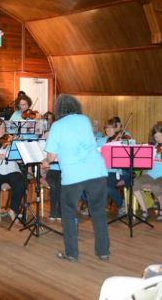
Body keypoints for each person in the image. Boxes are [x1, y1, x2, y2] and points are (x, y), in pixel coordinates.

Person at [43, 94, 109, 262]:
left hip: (73, 175)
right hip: (96, 171)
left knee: (68, 214)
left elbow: (51, 156)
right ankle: (103, 251)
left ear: (59, 109)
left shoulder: (57, 125)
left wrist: (44, 162)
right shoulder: (84, 120)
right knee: (98, 213)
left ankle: (71, 253)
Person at [133, 124, 162, 221]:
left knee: (155, 186)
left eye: (160, 136)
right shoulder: (152, 148)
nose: (158, 139)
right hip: (150, 175)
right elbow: (145, 165)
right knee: (134, 183)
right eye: (156, 137)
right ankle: (144, 210)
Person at [96, 118, 128, 217]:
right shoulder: (100, 140)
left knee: (106, 187)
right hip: (101, 171)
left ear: (116, 129)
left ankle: (121, 203)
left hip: (114, 171)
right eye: (107, 128)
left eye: (112, 128)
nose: (109, 130)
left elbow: (125, 159)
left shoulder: (121, 141)